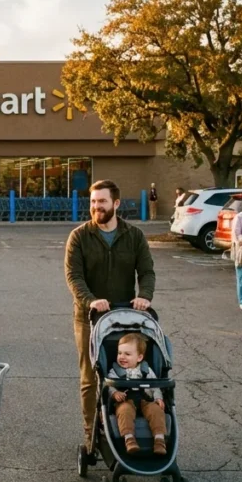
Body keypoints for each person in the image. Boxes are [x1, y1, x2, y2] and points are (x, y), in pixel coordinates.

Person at [64, 180, 156, 451]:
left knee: (128, 372)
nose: (96, 207)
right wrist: (91, 300)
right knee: (90, 377)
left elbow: (147, 272)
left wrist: (145, 296)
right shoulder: (80, 237)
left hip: (125, 318)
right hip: (88, 317)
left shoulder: (134, 236)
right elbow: (74, 276)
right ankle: (91, 434)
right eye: (93, 202)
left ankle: (129, 428)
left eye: (101, 202)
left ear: (115, 204)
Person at [107, 333, 167, 455]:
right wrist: (115, 393)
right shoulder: (115, 372)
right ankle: (129, 439)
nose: (122, 357)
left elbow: (155, 386)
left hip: (146, 400)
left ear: (139, 357)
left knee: (156, 410)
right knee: (124, 411)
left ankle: (159, 441)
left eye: (127, 354)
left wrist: (158, 398)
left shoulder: (146, 370)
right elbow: (108, 387)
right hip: (125, 401)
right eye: (120, 353)